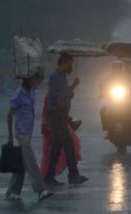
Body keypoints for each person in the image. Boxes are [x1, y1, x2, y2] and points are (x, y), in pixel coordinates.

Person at [5, 68, 53, 202]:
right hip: (21, 133)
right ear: (26, 80)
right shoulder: (18, 95)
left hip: (28, 132)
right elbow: (9, 115)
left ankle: (12, 191)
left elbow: (41, 78)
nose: (35, 81)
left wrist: (38, 68)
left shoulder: (31, 90)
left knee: (21, 162)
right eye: (32, 79)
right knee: (31, 160)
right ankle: (41, 189)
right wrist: (10, 136)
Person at [44, 53, 88, 186]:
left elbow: (65, 95)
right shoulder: (55, 77)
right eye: (70, 63)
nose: (71, 67)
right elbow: (58, 99)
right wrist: (72, 89)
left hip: (61, 116)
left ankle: (50, 177)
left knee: (57, 147)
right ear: (63, 62)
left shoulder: (62, 77)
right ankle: (73, 176)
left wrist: (73, 86)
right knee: (68, 146)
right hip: (57, 116)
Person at [40, 95, 82, 178]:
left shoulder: (56, 91)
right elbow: (53, 109)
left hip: (59, 123)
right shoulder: (53, 93)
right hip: (57, 124)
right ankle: (71, 175)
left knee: (61, 149)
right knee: (57, 150)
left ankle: (51, 176)